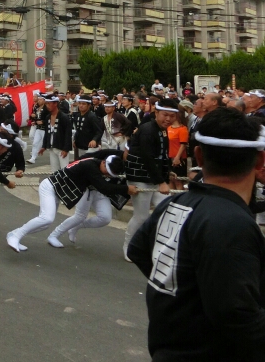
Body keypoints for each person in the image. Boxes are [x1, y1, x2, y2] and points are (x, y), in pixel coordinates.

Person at [128, 108, 265, 361]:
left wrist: (182, 290)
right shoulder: (231, 223)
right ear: (259, 161)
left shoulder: (176, 202)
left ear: (199, 156)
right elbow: (238, 316)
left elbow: (138, 249)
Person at [7, 151, 136, 252]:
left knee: (45, 224)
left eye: (110, 175)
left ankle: (14, 234)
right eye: (107, 171)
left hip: (58, 191)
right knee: (46, 218)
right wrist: (126, 189)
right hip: (50, 187)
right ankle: (16, 235)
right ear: (103, 162)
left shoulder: (95, 163)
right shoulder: (91, 166)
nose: (107, 175)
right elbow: (104, 187)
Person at [122, 98, 179, 261]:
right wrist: (162, 182)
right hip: (140, 177)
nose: (168, 119)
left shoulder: (162, 130)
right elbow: (148, 158)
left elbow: (161, 155)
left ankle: (155, 245)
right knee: (141, 216)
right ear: (156, 112)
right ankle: (128, 246)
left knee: (166, 211)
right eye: (165, 115)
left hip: (154, 177)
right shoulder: (148, 129)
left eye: (172, 116)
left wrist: (167, 172)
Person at [46, 149, 130, 247]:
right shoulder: (108, 155)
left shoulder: (132, 163)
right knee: (80, 216)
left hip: (102, 191)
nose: (130, 156)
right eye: (129, 152)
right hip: (87, 188)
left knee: (105, 218)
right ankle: (54, 235)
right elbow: (86, 158)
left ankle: (76, 227)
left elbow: (107, 187)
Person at [38, 94, 72, 172]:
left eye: (49, 103)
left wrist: (66, 149)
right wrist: (44, 146)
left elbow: (68, 134)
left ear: (55, 103)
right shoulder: (48, 117)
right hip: (52, 147)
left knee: (64, 171)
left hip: (61, 148)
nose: (47, 106)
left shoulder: (64, 117)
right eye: (46, 103)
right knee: (54, 171)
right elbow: (47, 133)